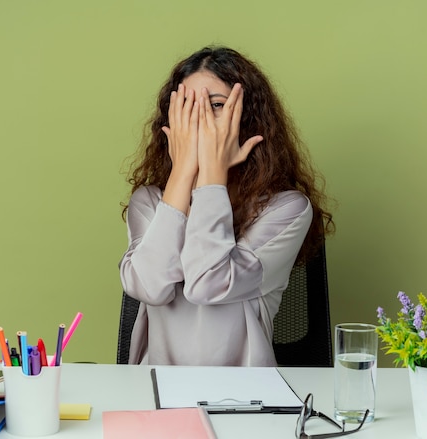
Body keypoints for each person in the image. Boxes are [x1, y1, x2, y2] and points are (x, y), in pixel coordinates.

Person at [119, 46, 333, 366]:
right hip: (157, 393)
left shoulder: (286, 209)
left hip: (243, 396)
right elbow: (149, 287)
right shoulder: (150, 202)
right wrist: (183, 173)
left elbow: (207, 285)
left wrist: (212, 175)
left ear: (246, 117)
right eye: (187, 106)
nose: (201, 117)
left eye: (217, 105)